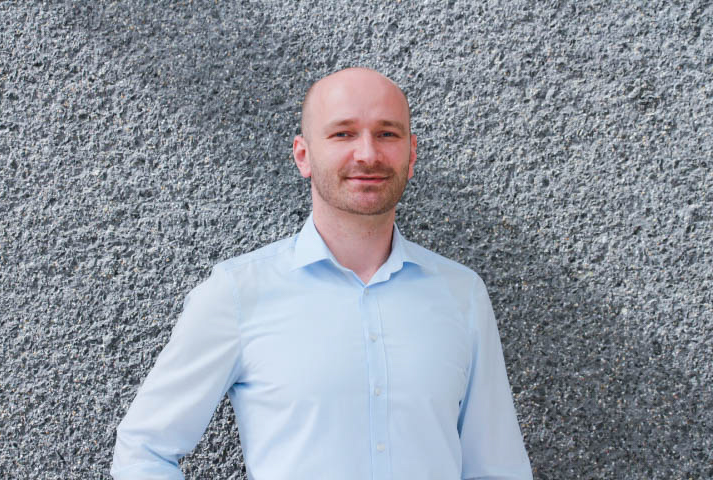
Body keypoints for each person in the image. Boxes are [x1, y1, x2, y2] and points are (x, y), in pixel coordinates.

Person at [111, 67, 533, 479]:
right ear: (303, 155)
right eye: (343, 134)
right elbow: (143, 452)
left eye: (387, 134)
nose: (367, 154)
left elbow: (498, 468)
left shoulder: (461, 294)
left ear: (412, 153)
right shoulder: (238, 293)